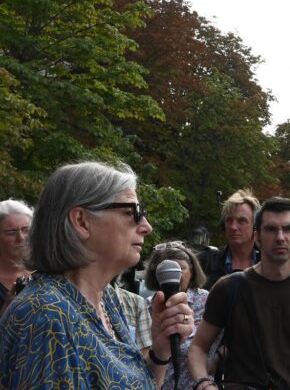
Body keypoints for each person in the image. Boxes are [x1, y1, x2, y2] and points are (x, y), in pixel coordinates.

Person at [0, 161, 193, 388]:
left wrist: (160, 353)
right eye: (132, 212)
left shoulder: (105, 299)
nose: (146, 226)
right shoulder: (47, 316)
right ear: (82, 221)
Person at [187, 196, 290, 390]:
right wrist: (204, 383)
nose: (280, 237)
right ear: (257, 236)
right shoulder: (228, 288)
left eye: (288, 228)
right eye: (271, 229)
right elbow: (198, 347)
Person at [146, 240, 218, 390]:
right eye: (167, 269)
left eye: (180, 268)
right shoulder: (146, 307)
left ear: (192, 272)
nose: (175, 275)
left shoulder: (209, 301)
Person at [198, 189, 261, 289]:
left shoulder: (269, 265)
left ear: (255, 226)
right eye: (229, 220)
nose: (233, 227)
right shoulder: (206, 261)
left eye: (242, 221)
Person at [0, 199, 33, 312]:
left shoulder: (51, 270)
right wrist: (6, 311)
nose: (21, 238)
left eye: (26, 230)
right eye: (11, 233)